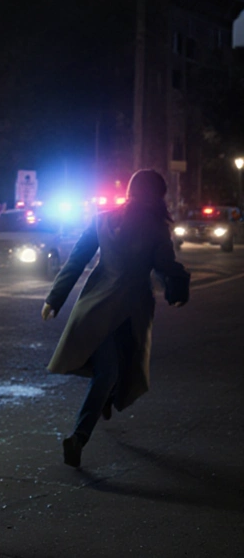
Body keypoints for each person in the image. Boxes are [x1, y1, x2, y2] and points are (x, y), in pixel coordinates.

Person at [41, 169, 189, 468]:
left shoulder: (103, 219)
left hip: (95, 309)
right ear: (158, 195)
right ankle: (79, 437)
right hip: (131, 312)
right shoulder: (157, 228)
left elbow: (77, 260)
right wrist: (179, 288)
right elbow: (165, 267)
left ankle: (102, 404)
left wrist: (54, 299)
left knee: (111, 369)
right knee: (110, 371)